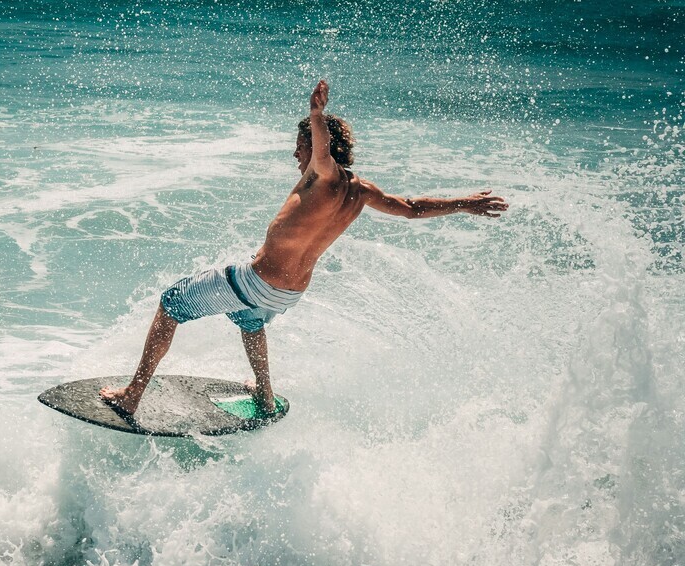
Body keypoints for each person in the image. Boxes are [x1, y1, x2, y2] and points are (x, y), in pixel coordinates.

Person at [100, 80, 508, 418]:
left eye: (301, 145)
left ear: (318, 148)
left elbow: (322, 152)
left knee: (172, 302)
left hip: (257, 282)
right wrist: (465, 203)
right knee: (249, 321)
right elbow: (412, 209)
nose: (295, 153)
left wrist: (316, 115)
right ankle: (263, 394)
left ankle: (132, 395)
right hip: (288, 295)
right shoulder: (362, 190)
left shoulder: (323, 175)